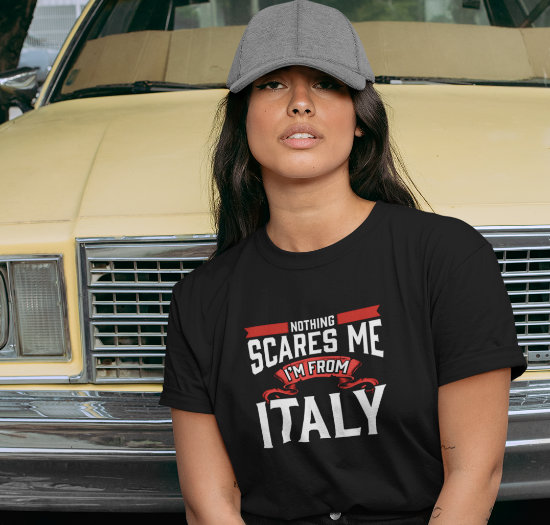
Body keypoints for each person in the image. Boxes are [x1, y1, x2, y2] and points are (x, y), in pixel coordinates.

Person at [159, 1, 527, 524]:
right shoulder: (201, 299)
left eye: (327, 84)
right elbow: (209, 503)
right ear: (242, 119)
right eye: (272, 84)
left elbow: (475, 472)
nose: (300, 103)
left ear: (359, 118)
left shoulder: (447, 258)